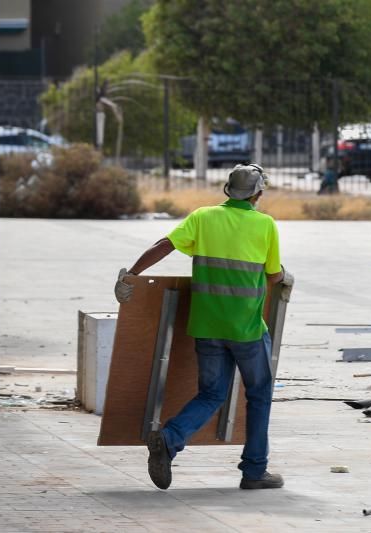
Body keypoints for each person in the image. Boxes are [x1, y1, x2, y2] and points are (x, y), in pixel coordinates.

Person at [114, 163, 285, 491]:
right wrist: (283, 276)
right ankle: (254, 471)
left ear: (227, 190)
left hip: (206, 326)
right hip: (247, 329)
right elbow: (273, 274)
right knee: (260, 395)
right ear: (258, 194)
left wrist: (130, 274)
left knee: (211, 393)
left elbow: (164, 244)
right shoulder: (265, 225)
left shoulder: (203, 217)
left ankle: (169, 438)